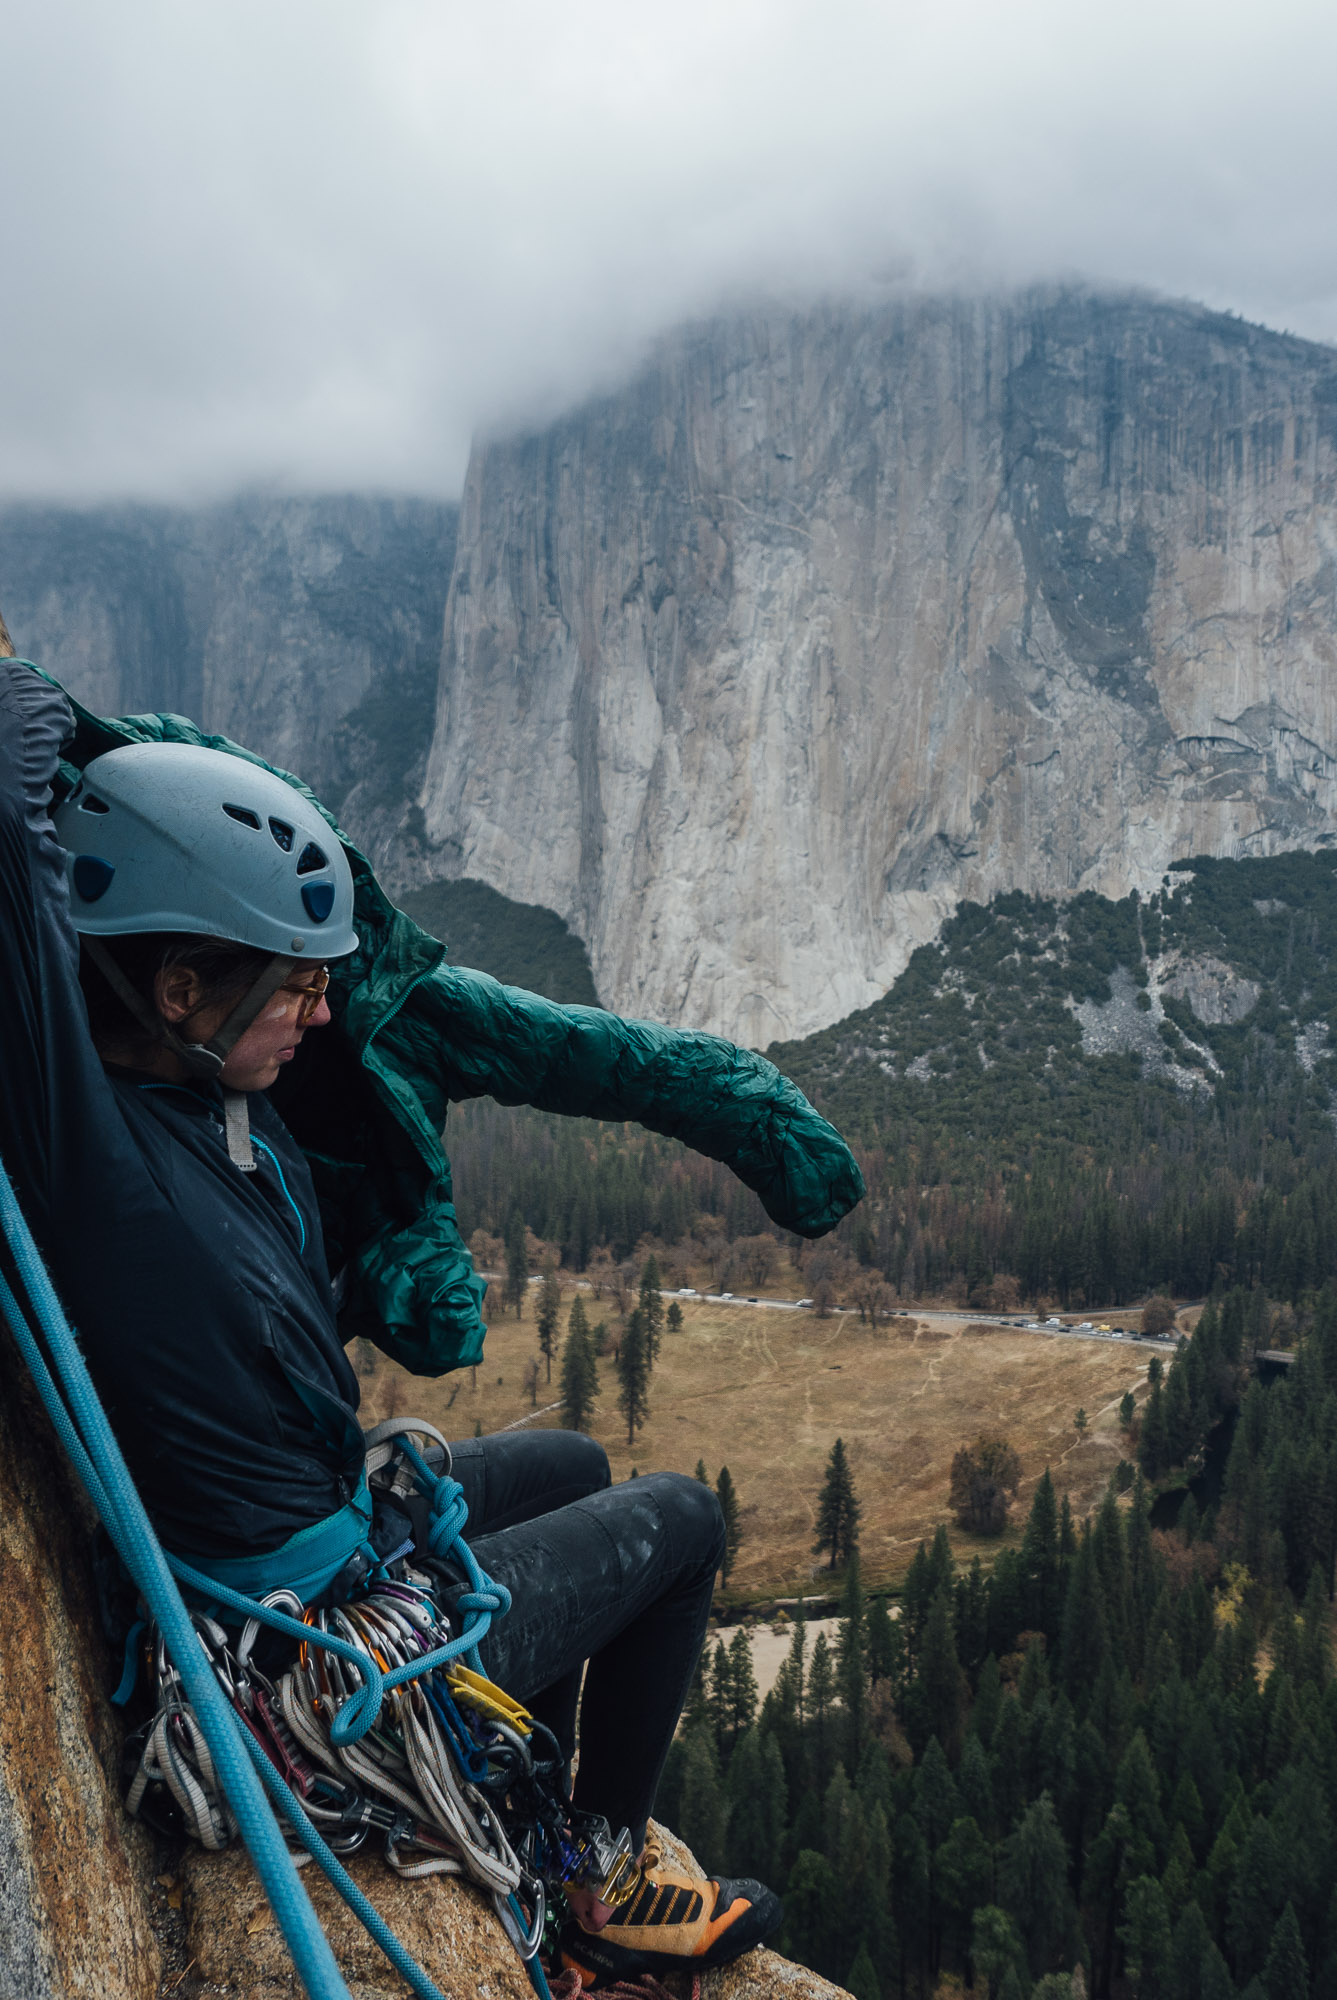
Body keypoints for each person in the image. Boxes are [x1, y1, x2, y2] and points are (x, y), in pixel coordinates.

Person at [0, 655, 862, 1985]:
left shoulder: (210, 1110)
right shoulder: (91, 1151)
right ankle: (597, 1878)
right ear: (176, 995)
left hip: (323, 1543)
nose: (322, 1010)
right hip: (294, 1660)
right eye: (291, 983)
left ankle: (536, 1810)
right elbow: (15, 873)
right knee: (680, 1523)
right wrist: (27, 706)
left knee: (571, 1459)